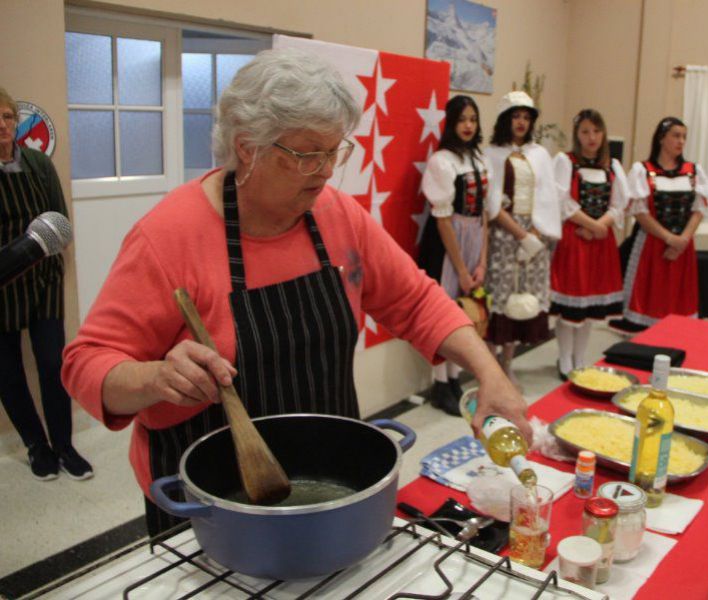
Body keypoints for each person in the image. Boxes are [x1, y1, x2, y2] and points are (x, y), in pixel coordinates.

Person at [60, 49, 530, 536]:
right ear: (248, 148)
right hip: (211, 507)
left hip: (330, 486)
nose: (327, 171)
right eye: (309, 154)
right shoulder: (168, 238)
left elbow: (415, 300)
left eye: (335, 152)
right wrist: (156, 378)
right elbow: (85, 363)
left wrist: (489, 372)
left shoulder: (337, 216)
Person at [0, 88, 92, 482]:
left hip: (43, 281)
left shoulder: (38, 163)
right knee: (7, 374)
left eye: (6, 117)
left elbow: (61, 222)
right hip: (0, 287)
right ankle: (37, 447)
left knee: (54, 365)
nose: (1, 126)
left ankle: (65, 446)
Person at [482, 91, 563, 384]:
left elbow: (548, 198)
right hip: (504, 236)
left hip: (535, 235)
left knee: (523, 299)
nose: (521, 122)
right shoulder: (491, 153)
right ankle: (490, 368)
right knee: (500, 298)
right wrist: (519, 235)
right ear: (506, 119)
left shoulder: (539, 154)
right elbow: (491, 202)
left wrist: (535, 237)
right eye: (516, 116)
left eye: (526, 117)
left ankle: (508, 362)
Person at [417, 95, 490, 415]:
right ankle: (440, 382)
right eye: (462, 120)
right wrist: (460, 266)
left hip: (474, 237)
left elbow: (485, 213)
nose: (468, 126)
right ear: (451, 123)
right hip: (448, 244)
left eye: (472, 119)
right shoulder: (441, 161)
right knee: (444, 310)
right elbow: (442, 218)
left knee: (466, 313)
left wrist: (482, 260)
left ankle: (455, 376)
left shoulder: (479, 159)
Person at [609, 116, 708, 333]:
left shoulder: (693, 171)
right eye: (676, 135)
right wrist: (669, 238)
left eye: (684, 136)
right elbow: (640, 212)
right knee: (651, 297)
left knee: (678, 299)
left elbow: (699, 209)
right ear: (661, 138)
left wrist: (682, 240)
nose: (681, 141)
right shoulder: (643, 170)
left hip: (682, 247)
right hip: (652, 245)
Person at [550, 109, 629, 378]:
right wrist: (591, 225)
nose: (591, 137)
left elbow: (619, 204)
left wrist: (600, 227)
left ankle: (581, 359)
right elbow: (562, 202)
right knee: (571, 306)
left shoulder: (613, 167)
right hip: (574, 240)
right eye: (585, 131)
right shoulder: (566, 162)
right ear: (577, 135)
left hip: (600, 243)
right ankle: (564, 359)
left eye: (596, 131)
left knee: (590, 307)